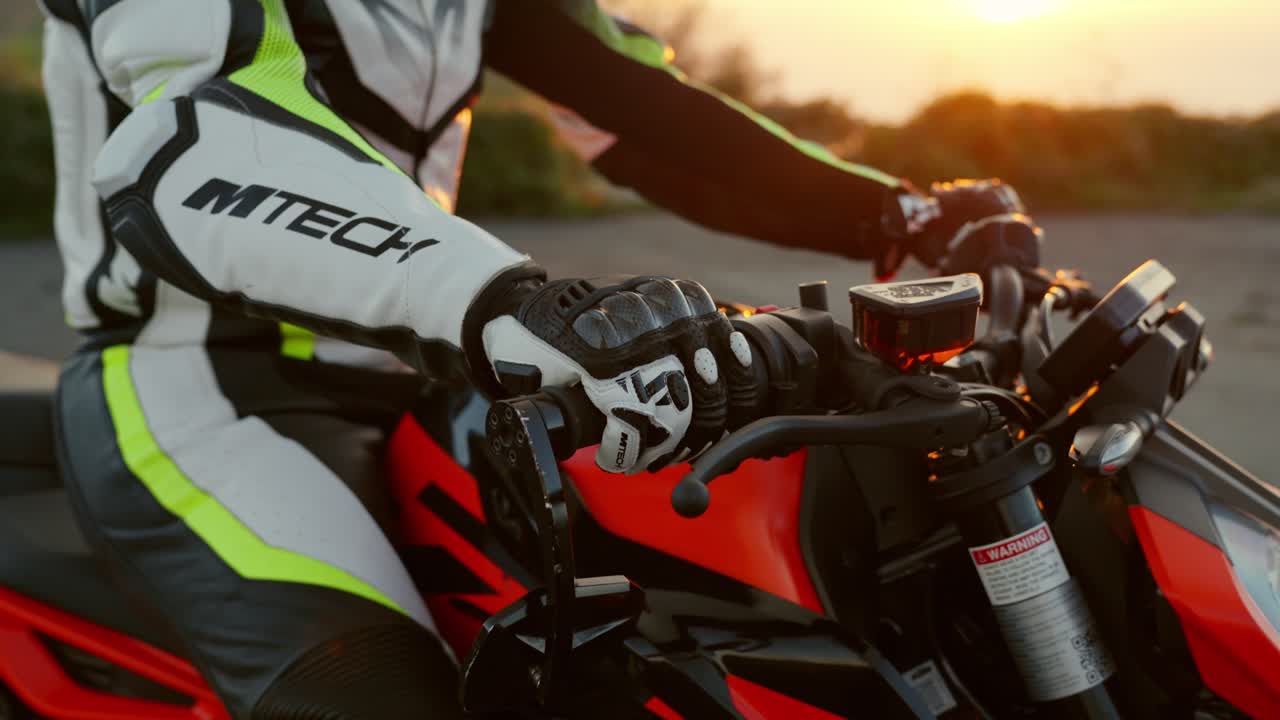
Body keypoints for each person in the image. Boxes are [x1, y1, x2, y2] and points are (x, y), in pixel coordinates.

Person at [39, 0, 1024, 717]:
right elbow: (195, 144)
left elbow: (644, 110)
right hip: (197, 381)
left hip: (431, 370)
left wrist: (904, 213)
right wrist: (514, 304)